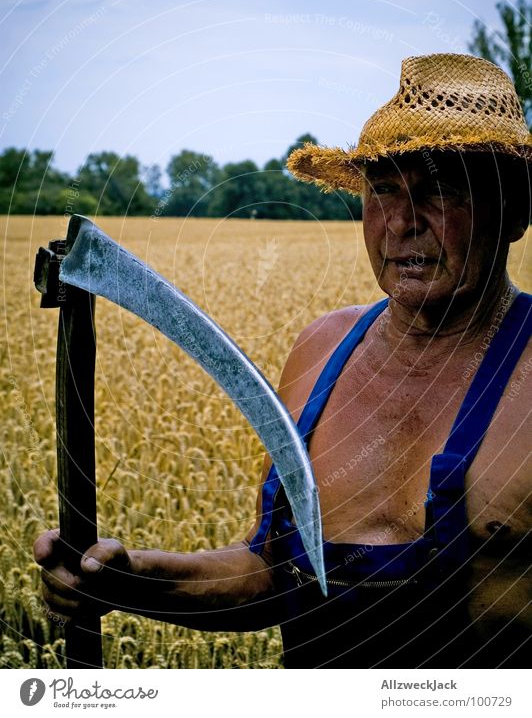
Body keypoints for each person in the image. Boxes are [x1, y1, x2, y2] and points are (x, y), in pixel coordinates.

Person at [34, 53, 531, 668]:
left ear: (514, 212)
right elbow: (272, 572)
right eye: (383, 191)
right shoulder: (323, 350)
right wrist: (130, 580)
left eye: (442, 191)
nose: (403, 222)